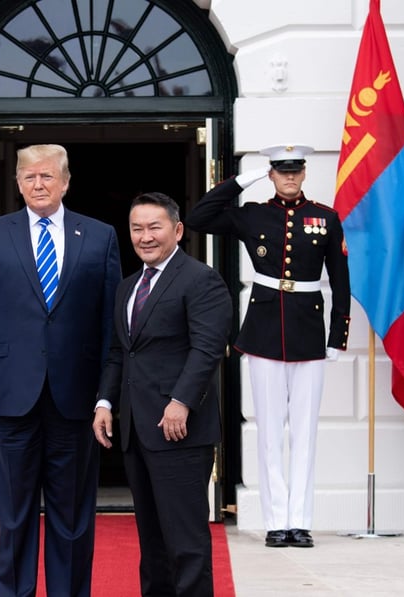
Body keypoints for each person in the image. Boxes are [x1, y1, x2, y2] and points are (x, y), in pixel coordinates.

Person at [0, 144, 121, 596]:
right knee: (14, 513)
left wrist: (107, 393)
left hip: (76, 397)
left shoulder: (100, 235)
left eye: (47, 177)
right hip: (10, 394)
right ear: (17, 183)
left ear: (66, 182)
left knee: (71, 515)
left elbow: (111, 324)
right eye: (29, 177)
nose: (38, 185)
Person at [186, 145, 351, 549]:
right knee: (269, 433)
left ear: (305, 173)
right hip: (262, 333)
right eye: (281, 172)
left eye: (295, 171)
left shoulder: (326, 218)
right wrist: (247, 177)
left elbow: (341, 282)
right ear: (273, 174)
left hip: (310, 333)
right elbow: (198, 217)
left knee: (305, 433)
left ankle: (301, 521)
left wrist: (336, 336)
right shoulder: (253, 213)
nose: (289, 178)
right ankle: (277, 521)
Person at [93, 192, 232, 597]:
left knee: (186, 544)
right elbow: (121, 352)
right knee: (152, 543)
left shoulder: (200, 278)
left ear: (177, 230)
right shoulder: (128, 287)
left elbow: (207, 348)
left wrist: (181, 401)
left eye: (155, 227)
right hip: (138, 431)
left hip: (181, 432)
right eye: (137, 228)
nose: (145, 236)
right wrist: (105, 402)